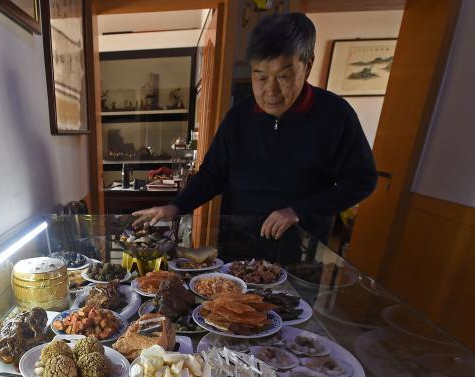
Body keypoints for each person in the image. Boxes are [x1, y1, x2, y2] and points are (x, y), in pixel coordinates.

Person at [133, 13, 377, 262]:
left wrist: (298, 210)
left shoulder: (335, 115)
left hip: (300, 249)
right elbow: (212, 174)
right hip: (239, 243)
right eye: (260, 77)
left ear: (308, 66)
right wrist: (174, 207)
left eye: (283, 76)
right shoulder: (239, 116)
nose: (270, 91)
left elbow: (362, 180)